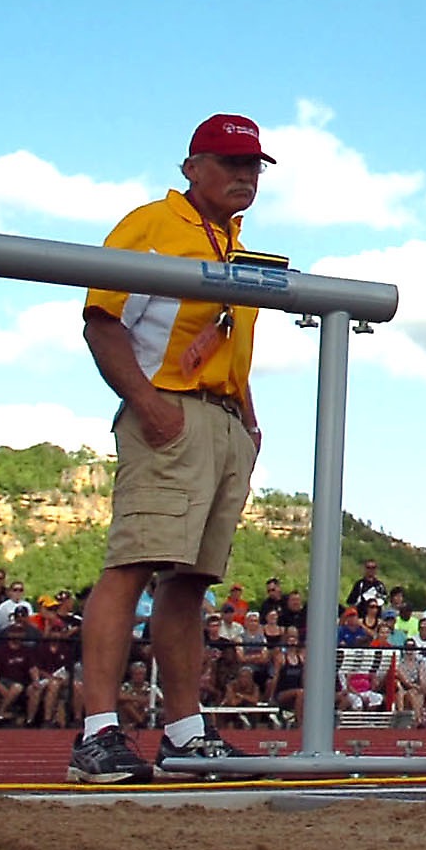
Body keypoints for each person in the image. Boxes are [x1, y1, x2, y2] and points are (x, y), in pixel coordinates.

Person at [69, 113, 274, 784]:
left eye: (253, 166)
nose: (243, 176)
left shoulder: (237, 240)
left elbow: (230, 343)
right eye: (229, 163)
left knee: (190, 582)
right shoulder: (151, 224)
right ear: (191, 166)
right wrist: (151, 406)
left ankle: (184, 731)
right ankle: (98, 730)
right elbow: (103, 317)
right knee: (133, 561)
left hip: (221, 417)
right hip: (170, 409)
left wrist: (246, 418)